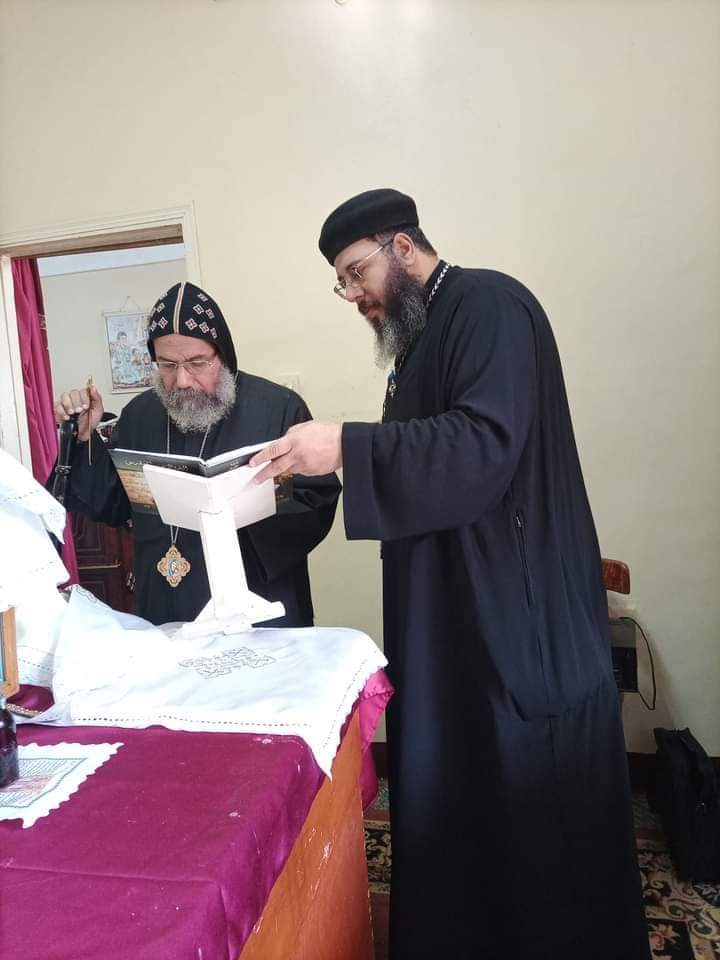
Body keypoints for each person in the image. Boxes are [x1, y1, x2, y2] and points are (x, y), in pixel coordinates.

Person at [251, 189, 651, 959]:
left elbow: (480, 445)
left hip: (515, 623)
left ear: (402, 247)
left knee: (536, 829)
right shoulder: (420, 339)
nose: (354, 295)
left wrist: (346, 446)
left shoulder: (490, 305)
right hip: (452, 623)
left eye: (357, 272)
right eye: (342, 282)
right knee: (464, 809)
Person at [54, 281, 341, 628]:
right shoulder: (139, 415)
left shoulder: (278, 408)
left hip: (257, 597)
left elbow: (317, 495)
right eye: (167, 365)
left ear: (223, 355)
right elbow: (112, 503)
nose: (182, 380)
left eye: (197, 363)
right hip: (166, 603)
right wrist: (85, 438)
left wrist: (237, 523)